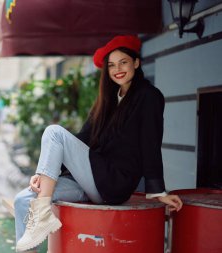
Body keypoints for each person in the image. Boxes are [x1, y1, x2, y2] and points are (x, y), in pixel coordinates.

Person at [13, 35, 183, 252]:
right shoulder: (108, 101)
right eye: (112, 65)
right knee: (23, 199)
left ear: (136, 63)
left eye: (123, 62)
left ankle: (43, 213)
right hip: (89, 180)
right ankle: (36, 226)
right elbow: (82, 139)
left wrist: (158, 190)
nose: (117, 69)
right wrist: (44, 174)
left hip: (113, 182)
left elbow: (151, 143)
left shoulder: (148, 96)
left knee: (53, 132)